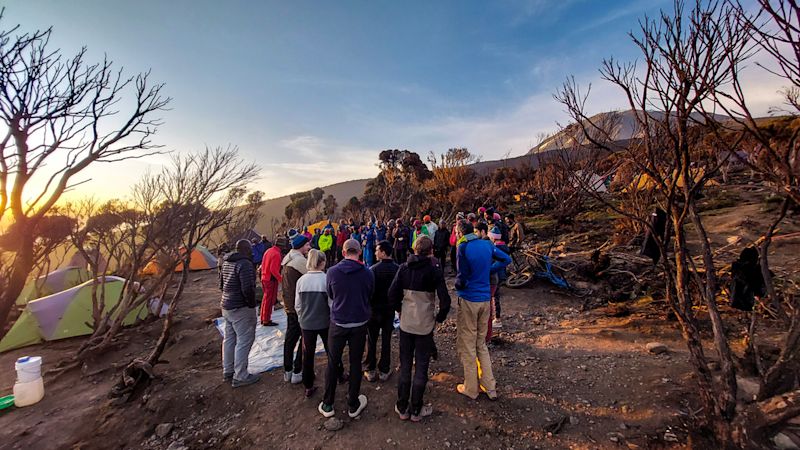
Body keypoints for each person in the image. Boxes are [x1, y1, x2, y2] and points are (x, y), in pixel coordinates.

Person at [389, 236, 450, 422]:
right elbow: (445, 301)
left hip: (406, 324)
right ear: (431, 251)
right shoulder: (434, 270)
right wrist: (438, 318)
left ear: (414, 250)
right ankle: (416, 409)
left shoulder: (403, 268)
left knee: (405, 365)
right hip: (425, 325)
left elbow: (391, 295)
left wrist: (400, 310)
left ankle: (402, 407)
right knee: (421, 367)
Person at [454, 221, 511, 400]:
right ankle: (490, 386)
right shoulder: (487, 244)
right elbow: (506, 259)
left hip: (469, 299)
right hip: (485, 299)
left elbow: (462, 276)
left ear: (461, 232)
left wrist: (458, 286)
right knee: (481, 343)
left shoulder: (463, 247)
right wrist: (488, 269)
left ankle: (471, 388)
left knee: (468, 344)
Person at [319, 239, 374, 419]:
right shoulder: (367, 273)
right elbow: (369, 294)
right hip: (359, 323)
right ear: (359, 253)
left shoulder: (332, 272)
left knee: (333, 361)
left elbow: (331, 294)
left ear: (343, 252)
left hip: (338, 323)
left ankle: (328, 404)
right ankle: (353, 404)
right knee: (355, 362)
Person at [220, 239, 260, 387]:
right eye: (250, 249)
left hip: (226, 305)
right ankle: (241, 375)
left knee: (230, 339)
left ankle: (228, 370)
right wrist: (251, 305)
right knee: (244, 340)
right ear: (246, 249)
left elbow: (221, 284)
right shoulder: (245, 264)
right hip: (240, 308)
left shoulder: (226, 262)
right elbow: (248, 288)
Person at [295, 249, 333, 397]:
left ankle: (308, 384)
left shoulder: (301, 281)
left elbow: (297, 305)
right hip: (324, 322)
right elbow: (331, 303)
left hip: (307, 324)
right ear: (322, 262)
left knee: (308, 355)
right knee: (331, 351)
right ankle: (337, 374)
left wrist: (301, 318)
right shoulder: (326, 279)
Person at [365, 240, 399, 382]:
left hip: (374, 310)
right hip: (389, 310)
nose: (375, 252)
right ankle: (384, 369)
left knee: (372, 340)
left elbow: (368, 291)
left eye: (377, 250)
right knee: (386, 340)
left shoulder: (372, 270)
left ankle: (371, 369)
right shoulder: (398, 269)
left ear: (384, 253)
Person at [281, 232, 311, 384]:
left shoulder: (288, 258)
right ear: (300, 246)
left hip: (289, 304)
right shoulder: (299, 262)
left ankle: (288, 370)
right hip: (298, 307)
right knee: (304, 338)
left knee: (290, 338)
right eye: (307, 245)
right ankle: (298, 370)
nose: (309, 247)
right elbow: (312, 275)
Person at [488, 226, 511, 331]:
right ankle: (497, 317)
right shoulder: (504, 246)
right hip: (502, 274)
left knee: (495, 297)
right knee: (497, 297)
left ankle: (497, 319)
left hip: (496, 275)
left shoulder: (495, 248)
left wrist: (491, 269)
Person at [260, 241, 282, 326]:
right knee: (269, 300)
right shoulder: (276, 254)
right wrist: (281, 279)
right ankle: (266, 320)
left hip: (264, 277)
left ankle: (263, 317)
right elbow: (273, 270)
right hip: (270, 280)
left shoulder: (269, 250)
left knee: (265, 299)